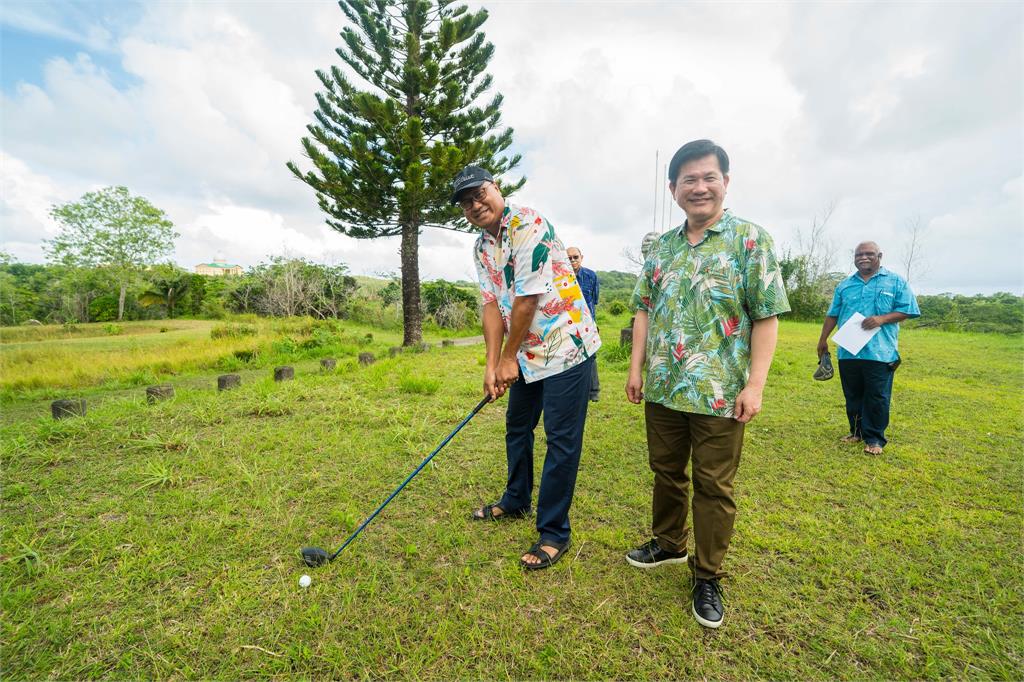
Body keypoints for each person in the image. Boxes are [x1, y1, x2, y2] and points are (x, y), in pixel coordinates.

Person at [625, 139, 790, 628]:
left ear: (725, 181)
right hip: (663, 386)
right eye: (688, 180)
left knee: (714, 485)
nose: (699, 187)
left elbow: (767, 316)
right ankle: (669, 544)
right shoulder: (661, 247)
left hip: (720, 392)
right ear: (673, 188)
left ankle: (708, 575)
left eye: (708, 177)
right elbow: (643, 308)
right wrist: (635, 368)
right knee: (666, 470)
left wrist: (755, 385)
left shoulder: (750, 240)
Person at [453, 165, 602, 570]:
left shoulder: (527, 222)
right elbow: (490, 304)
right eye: (466, 202)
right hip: (525, 354)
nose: (475, 204)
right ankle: (516, 500)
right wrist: (492, 365)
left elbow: (527, 299)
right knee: (518, 426)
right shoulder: (482, 247)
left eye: (479, 193)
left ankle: (554, 532)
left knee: (561, 439)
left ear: (496, 188)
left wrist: (506, 359)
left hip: (565, 347)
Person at [816, 242, 920, 456]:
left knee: (877, 396)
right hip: (849, 351)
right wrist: (822, 339)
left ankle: (875, 438)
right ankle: (856, 432)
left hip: (880, 352)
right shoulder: (845, 286)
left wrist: (882, 319)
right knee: (853, 394)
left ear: (879, 256)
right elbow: (833, 314)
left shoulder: (895, 282)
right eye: (859, 254)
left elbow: (908, 310)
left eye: (869, 254)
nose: (863, 257)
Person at [567, 246, 600, 402]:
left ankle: (593, 391)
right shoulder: (561, 277)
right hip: (568, 324)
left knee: (591, 357)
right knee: (571, 358)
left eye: (575, 257)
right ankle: (575, 391)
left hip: (588, 323)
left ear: (581, 257)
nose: (573, 260)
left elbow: (594, 300)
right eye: (569, 258)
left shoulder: (591, 276)